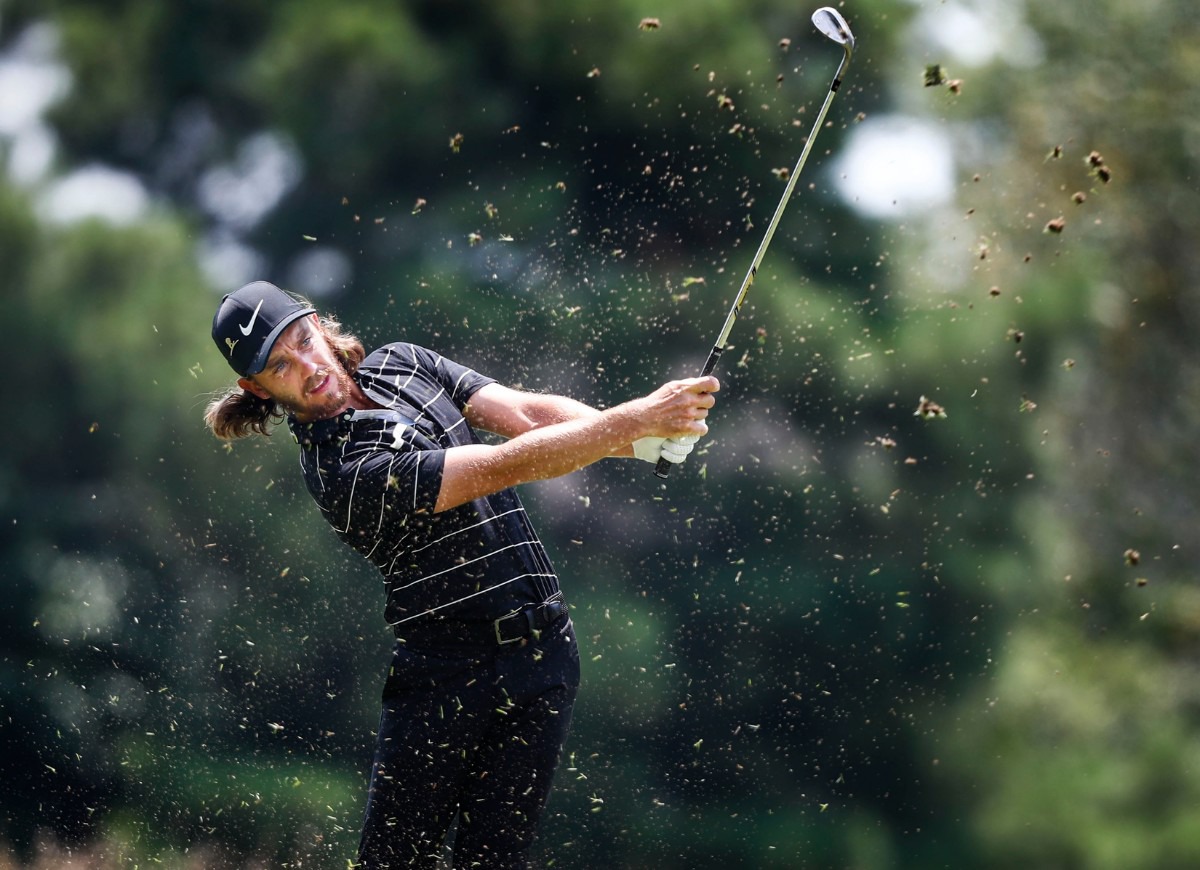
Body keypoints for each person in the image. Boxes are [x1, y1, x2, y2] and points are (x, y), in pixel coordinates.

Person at [204, 281, 718, 868]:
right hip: (444, 678)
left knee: (495, 860)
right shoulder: (340, 471)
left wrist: (647, 441)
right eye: (279, 365)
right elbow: (504, 464)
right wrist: (638, 419)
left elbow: (528, 416)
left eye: (301, 340)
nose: (305, 365)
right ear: (256, 388)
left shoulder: (403, 362)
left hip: (543, 654)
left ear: (317, 324)